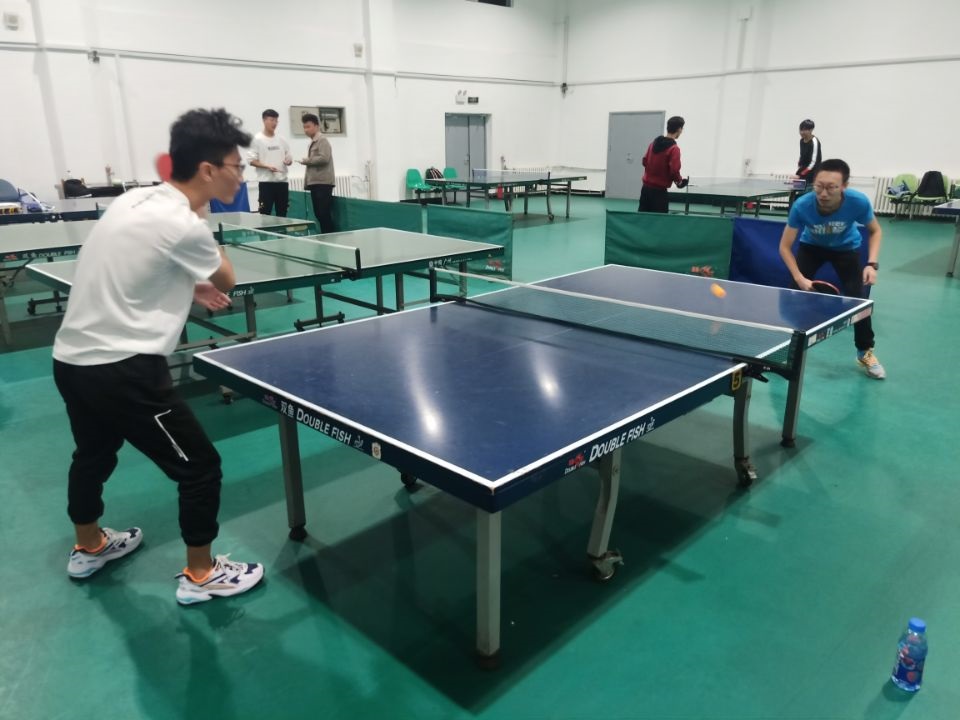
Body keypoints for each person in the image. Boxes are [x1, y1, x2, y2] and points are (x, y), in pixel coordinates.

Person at [52, 108, 265, 604]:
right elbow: (228, 278)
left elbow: (135, 262)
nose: (241, 176)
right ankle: (201, 574)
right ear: (208, 170)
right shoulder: (186, 224)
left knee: (93, 454)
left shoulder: (134, 199)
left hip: (72, 360)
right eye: (236, 166)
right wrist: (203, 218)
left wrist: (187, 285)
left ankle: (89, 546)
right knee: (200, 468)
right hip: (125, 370)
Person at [778, 158, 885, 379]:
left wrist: (872, 264)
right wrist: (799, 278)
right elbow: (784, 247)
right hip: (812, 247)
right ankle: (787, 347)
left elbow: (876, 231)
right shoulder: (802, 205)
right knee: (793, 295)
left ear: (844, 186)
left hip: (846, 249)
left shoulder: (858, 202)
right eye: (819, 186)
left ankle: (864, 351)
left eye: (831, 187)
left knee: (859, 301)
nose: (823, 193)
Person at [638, 115, 688, 213]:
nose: (682, 131)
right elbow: (674, 171)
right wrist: (679, 182)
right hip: (659, 193)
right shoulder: (674, 149)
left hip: (645, 190)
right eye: (682, 129)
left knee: (643, 218)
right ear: (679, 129)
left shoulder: (653, 144)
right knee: (659, 220)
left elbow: (644, 161)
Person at [249, 108, 293, 216]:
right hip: (266, 183)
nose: (274, 123)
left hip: (282, 182)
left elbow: (289, 158)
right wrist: (266, 166)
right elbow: (251, 160)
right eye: (272, 120)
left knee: (282, 214)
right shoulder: (257, 139)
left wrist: (288, 161)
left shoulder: (282, 139)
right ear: (264, 120)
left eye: (276, 120)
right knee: (265, 213)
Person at [298, 113, 336, 233]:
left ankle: (330, 236)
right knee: (319, 214)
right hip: (315, 183)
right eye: (304, 127)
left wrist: (307, 161)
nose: (306, 130)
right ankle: (326, 235)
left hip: (323, 183)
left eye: (308, 126)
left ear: (316, 126)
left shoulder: (322, 140)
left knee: (323, 213)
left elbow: (324, 158)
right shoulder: (312, 142)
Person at [795, 119, 822, 186]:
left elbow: (814, 162)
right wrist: (799, 165)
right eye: (800, 130)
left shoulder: (814, 142)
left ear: (811, 130)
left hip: (812, 171)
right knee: (794, 186)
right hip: (804, 169)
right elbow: (802, 155)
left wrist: (803, 173)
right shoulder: (802, 141)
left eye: (804, 130)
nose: (802, 132)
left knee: (803, 186)